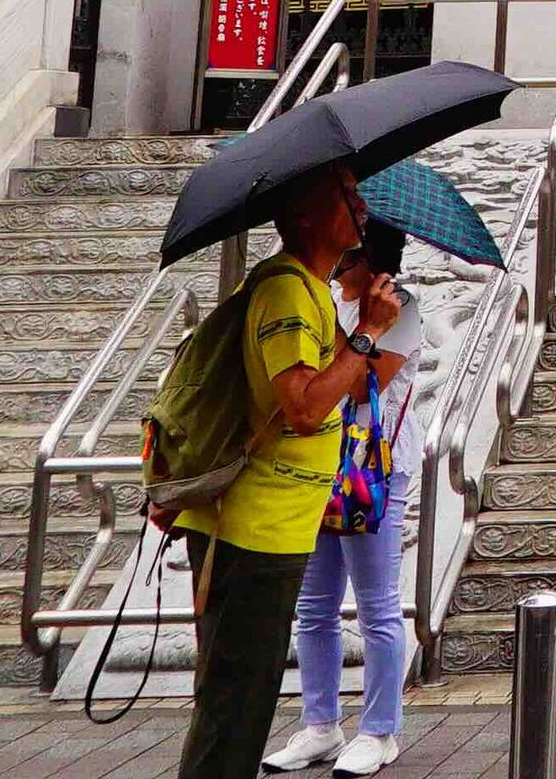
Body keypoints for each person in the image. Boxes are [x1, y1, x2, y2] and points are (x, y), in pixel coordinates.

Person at [173, 168, 403, 779]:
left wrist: (362, 327)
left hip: (279, 521)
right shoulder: (287, 293)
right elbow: (303, 408)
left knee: (242, 698)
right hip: (255, 528)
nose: (360, 206)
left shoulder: (310, 290)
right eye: (345, 195)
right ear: (303, 213)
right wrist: (368, 332)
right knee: (235, 702)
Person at [266, 220, 427, 776]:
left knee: (377, 604)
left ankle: (380, 730)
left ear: (369, 259)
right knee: (314, 605)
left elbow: (362, 385)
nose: (335, 267)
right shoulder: (328, 303)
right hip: (320, 466)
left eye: (346, 258)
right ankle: (320, 724)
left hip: (372, 471)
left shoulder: (402, 309)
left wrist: (351, 328)